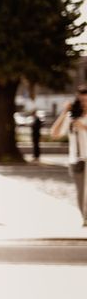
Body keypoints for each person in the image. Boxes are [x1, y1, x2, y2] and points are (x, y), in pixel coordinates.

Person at [51, 85, 87, 226]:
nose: (85, 104)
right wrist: (64, 112)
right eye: (82, 101)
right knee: (81, 192)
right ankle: (85, 218)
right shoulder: (71, 117)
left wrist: (83, 127)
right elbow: (54, 134)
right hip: (77, 159)